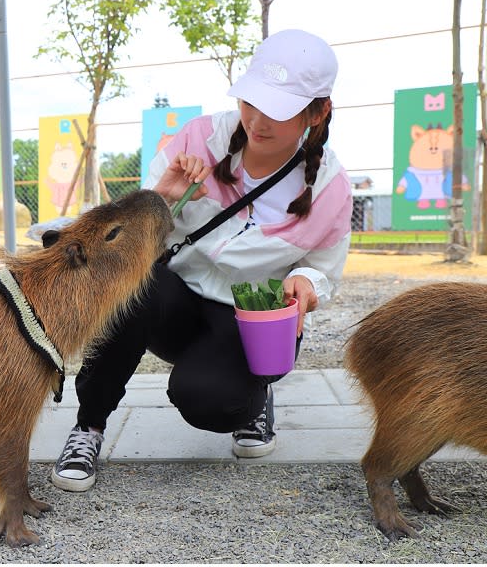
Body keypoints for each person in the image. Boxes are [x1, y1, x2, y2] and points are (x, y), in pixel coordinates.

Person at [51, 29, 353, 492]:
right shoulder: (199, 139)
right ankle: (88, 427)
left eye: (280, 109)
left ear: (318, 112)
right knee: (130, 287)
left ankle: (254, 396)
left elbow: (322, 267)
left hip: (250, 318)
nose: (258, 120)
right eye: (252, 102)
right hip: (175, 300)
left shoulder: (331, 187)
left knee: (208, 400)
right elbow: (131, 239)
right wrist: (163, 196)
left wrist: (307, 283)